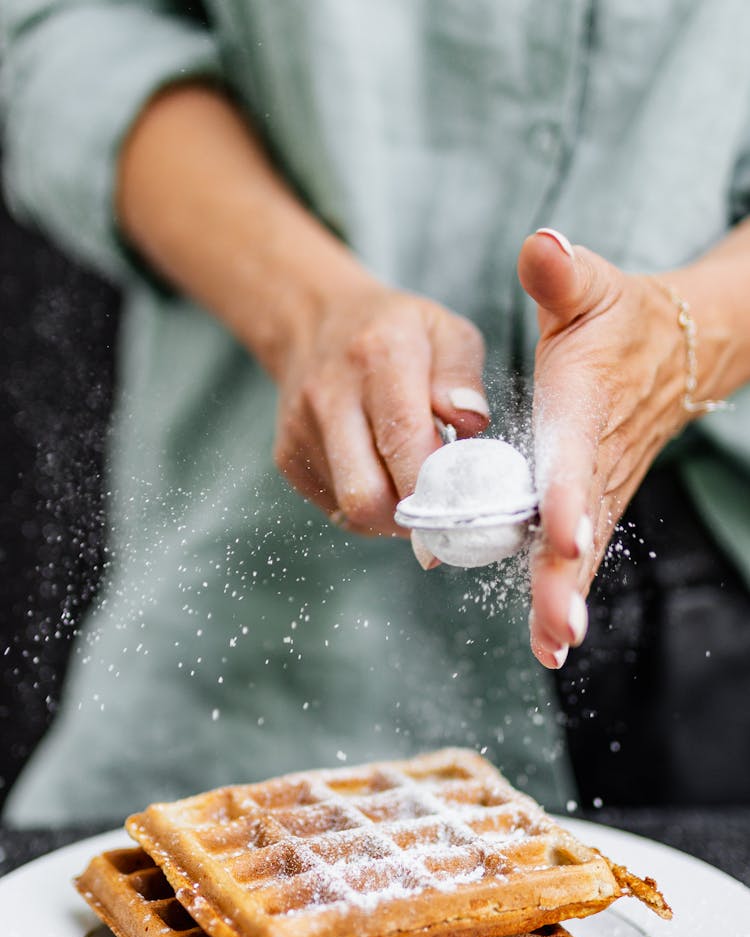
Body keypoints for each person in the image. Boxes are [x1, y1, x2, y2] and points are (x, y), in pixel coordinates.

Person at [2, 1, 750, 824]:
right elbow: (62, 30)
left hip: (710, 637)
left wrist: (693, 339)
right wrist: (304, 306)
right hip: (264, 643)